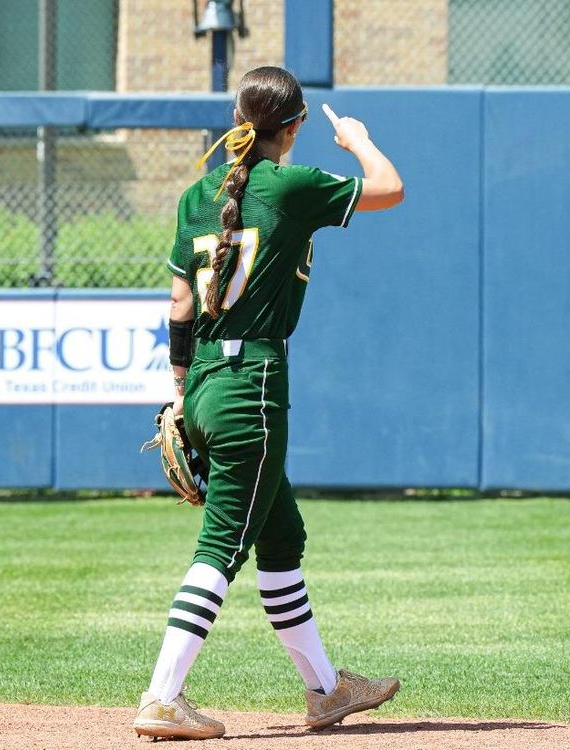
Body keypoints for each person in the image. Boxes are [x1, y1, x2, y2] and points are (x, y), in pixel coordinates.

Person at [133, 66, 405, 740]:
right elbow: (391, 189)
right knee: (224, 545)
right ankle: (162, 696)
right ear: (294, 126)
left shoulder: (199, 193)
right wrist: (359, 140)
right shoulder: (291, 186)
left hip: (200, 380)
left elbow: (179, 305)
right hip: (252, 384)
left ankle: (326, 690)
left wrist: (181, 389)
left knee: (280, 537)